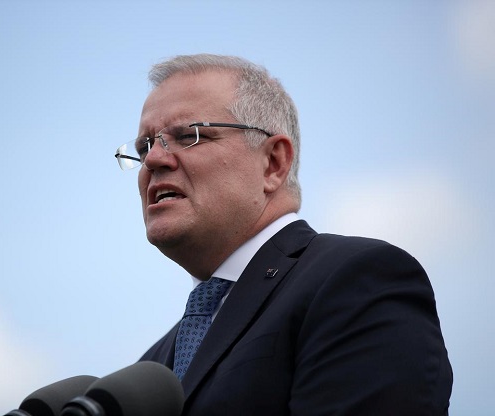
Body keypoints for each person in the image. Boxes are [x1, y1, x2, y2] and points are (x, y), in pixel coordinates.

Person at [114, 54, 452, 415]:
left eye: (188, 136)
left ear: (273, 163)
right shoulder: (148, 371)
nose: (153, 160)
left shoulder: (357, 280)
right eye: (144, 147)